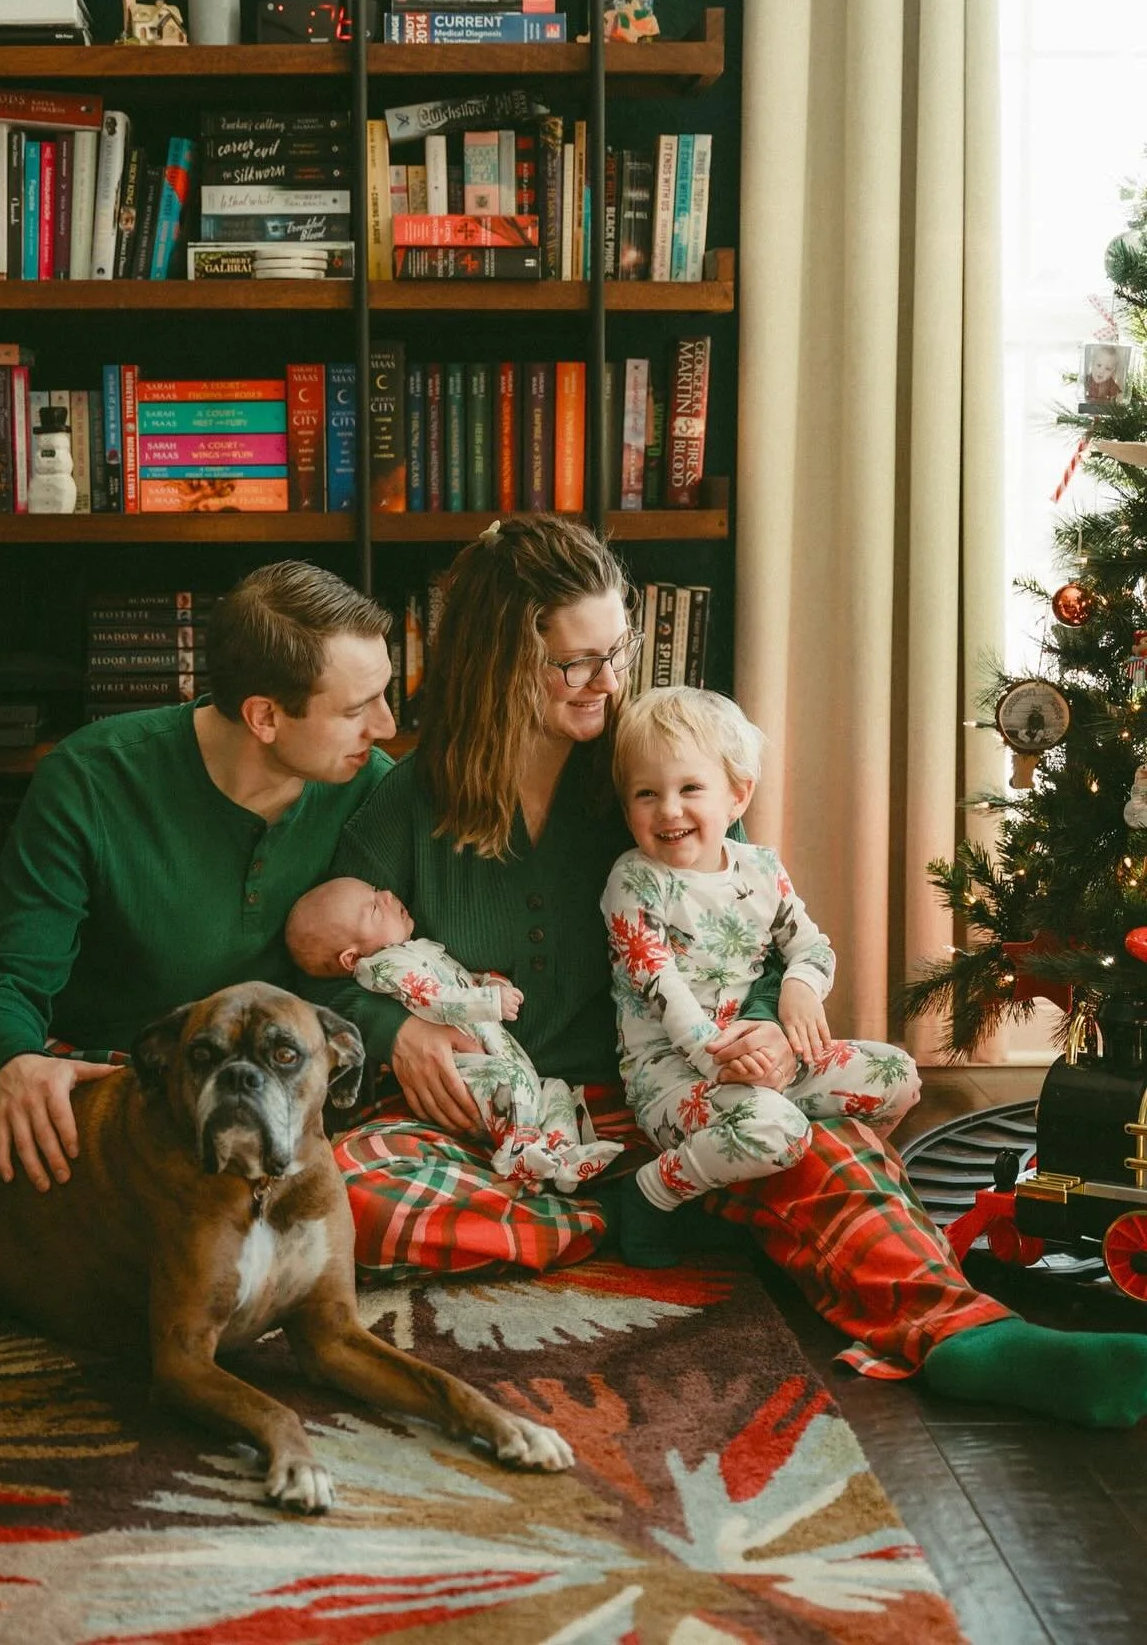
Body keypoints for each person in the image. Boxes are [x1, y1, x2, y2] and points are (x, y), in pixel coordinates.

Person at [320, 513, 1147, 1429]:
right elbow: (326, 961)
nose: (610, 681)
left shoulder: (647, 769)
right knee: (344, 1190)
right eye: (576, 663)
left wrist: (760, 1025)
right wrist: (401, 1034)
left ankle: (966, 1337)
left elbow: (749, 918)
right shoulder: (410, 798)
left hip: (669, 1092)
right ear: (500, 663)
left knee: (834, 1151)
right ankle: (634, 1215)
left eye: (617, 650)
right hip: (502, 1123)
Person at [0, 562, 397, 1429]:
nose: (385, 726)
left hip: (284, 1119)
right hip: (97, 1092)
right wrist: (14, 1061)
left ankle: (185, 1267)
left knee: (434, 1162)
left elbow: (393, 971)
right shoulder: (96, 775)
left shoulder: (372, 791)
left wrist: (410, 1034)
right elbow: (7, 977)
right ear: (264, 715)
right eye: (360, 707)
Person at [602, 685, 919, 1226]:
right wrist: (722, 1061)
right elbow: (661, 990)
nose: (669, 809)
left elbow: (811, 945)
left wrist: (800, 988)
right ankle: (649, 1194)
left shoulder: (760, 868)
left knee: (899, 1074)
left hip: (767, 1060)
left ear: (738, 796)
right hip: (676, 1074)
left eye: (691, 787)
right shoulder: (634, 881)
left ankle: (768, 1161)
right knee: (777, 1130)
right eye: (646, 794)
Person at [285, 875, 623, 1191]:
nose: (387, 895)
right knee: (508, 1088)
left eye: (378, 891)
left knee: (555, 1091)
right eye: (374, 907)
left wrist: (487, 981)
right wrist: (488, 1000)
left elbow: (455, 979)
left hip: (511, 1063)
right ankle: (521, 1154)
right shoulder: (384, 967)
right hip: (471, 1074)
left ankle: (563, 1154)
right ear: (351, 958)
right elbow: (434, 999)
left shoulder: (416, 950)